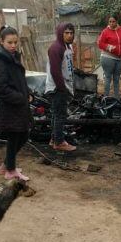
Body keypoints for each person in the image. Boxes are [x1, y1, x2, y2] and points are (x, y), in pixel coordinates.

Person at [0, 27, 32, 181]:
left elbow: (20, 79)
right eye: (9, 42)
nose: (13, 45)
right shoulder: (0, 60)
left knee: (23, 134)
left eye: (15, 42)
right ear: (1, 41)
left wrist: (28, 93)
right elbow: (1, 87)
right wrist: (20, 97)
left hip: (19, 104)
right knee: (15, 136)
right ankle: (10, 170)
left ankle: (7, 165)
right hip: (9, 106)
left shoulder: (13, 56)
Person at [45, 22, 77, 152]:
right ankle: (59, 142)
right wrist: (62, 88)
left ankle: (54, 139)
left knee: (56, 114)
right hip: (57, 88)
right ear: (60, 33)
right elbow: (55, 71)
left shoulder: (67, 47)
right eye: (66, 33)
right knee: (60, 116)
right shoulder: (56, 48)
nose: (69, 35)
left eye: (71, 33)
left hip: (64, 86)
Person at [97, 15, 121, 98]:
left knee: (116, 79)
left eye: (113, 21)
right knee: (108, 78)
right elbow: (100, 43)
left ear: (117, 21)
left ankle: (116, 98)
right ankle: (106, 97)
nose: (111, 23)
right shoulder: (105, 31)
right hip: (108, 57)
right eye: (110, 22)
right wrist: (109, 47)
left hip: (119, 59)